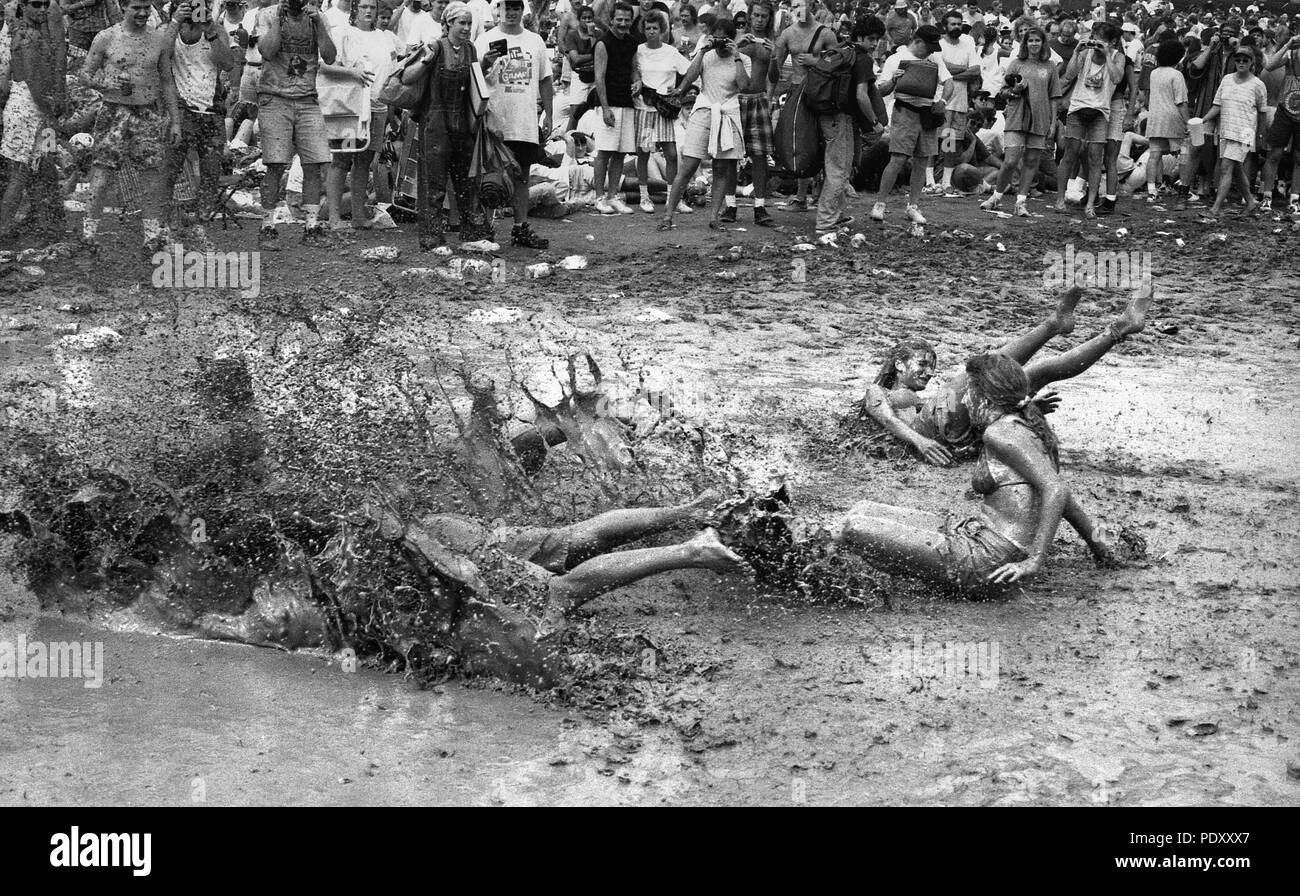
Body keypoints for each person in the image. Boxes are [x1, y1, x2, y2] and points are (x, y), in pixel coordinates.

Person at [836, 351, 1117, 599]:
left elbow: (1055, 490)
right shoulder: (1015, 425)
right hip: (976, 535)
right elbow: (1061, 496)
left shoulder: (1002, 433)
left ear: (984, 397)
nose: (965, 399)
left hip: (986, 563)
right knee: (862, 510)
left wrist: (1034, 561)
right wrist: (1098, 544)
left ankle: (807, 571)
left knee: (853, 526)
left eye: (969, 391)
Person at [854, 282, 1154, 465]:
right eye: (922, 364)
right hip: (935, 438)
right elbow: (888, 419)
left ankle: (1118, 329)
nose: (929, 372)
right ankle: (1055, 323)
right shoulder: (878, 393)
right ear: (899, 365)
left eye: (932, 365)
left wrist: (1024, 409)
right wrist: (920, 443)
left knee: (1040, 372)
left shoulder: (924, 401)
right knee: (983, 369)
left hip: (960, 438)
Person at [80, 0, 182, 256]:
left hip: (147, 112)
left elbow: (168, 82)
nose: (143, 13)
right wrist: (107, 83)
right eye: (136, 7)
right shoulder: (106, 37)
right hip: (113, 112)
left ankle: (151, 238)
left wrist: (175, 121)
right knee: (102, 177)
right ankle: (88, 235)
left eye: (146, 7)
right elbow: (84, 74)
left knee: (151, 177)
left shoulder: (158, 39)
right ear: (124, 8)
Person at [401, 1, 490, 247]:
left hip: (463, 122)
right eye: (462, 23)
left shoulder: (471, 49)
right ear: (449, 23)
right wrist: (425, 61)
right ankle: (432, 238)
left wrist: (486, 65)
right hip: (436, 122)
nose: (467, 27)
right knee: (434, 183)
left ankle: (472, 234)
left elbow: (474, 83)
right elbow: (406, 77)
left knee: (467, 180)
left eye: (470, 23)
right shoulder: (435, 46)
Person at [253, 0, 339, 250]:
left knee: (314, 163)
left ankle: (311, 226)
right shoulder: (267, 14)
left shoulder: (317, 17)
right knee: (276, 164)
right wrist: (281, 20)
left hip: (306, 98)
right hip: (274, 95)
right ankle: (267, 227)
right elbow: (267, 52)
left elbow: (331, 57)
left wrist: (319, 24)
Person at [658, 15, 750, 230]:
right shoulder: (707, 56)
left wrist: (736, 55)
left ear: (731, 39)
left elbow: (744, 85)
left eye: (723, 39)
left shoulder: (743, 59)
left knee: (721, 168)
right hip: (704, 109)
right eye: (715, 38)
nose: (719, 44)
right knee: (689, 164)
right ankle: (668, 215)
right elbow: (689, 77)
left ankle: (713, 217)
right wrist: (702, 50)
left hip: (727, 113)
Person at [476, 0, 553, 248]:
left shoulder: (535, 41)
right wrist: (485, 63)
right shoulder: (485, 39)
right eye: (506, 8)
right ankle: (486, 229)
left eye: (516, 8)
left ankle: (520, 228)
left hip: (525, 119)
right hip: (495, 119)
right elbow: (473, 77)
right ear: (498, 10)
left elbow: (545, 79)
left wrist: (549, 115)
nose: (511, 13)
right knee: (492, 176)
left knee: (522, 176)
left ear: (522, 11)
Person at [161, 0, 235, 250]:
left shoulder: (215, 28)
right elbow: (161, 56)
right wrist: (175, 22)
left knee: (211, 171)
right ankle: (163, 227)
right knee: (169, 169)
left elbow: (228, 64)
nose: (195, 10)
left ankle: (201, 224)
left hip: (211, 109)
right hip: (180, 108)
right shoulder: (169, 28)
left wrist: (211, 29)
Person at [322, 0, 400, 229]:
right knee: (342, 158)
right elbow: (323, 65)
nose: (368, 11)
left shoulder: (384, 37)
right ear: (355, 9)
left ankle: (358, 216)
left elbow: (391, 72)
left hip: (378, 106)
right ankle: (334, 217)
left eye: (372, 7)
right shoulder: (343, 33)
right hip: (351, 107)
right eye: (363, 6)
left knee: (365, 160)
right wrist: (352, 72)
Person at [0, 0, 68, 243]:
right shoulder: (26, 36)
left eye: (44, 5)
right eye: (36, 5)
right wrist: (49, 109)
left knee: (38, 168)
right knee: (21, 173)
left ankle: (43, 224)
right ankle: (4, 228)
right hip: (28, 107)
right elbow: (32, 80)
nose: (42, 10)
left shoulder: (33, 32)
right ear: (24, 7)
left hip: (30, 106)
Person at [871, 23, 950, 225]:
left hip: (928, 113)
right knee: (897, 158)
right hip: (904, 111)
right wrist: (894, 81)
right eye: (929, 46)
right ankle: (880, 203)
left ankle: (913, 206)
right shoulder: (895, 59)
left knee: (922, 160)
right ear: (918, 41)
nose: (931, 51)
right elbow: (881, 91)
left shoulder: (934, 58)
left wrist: (943, 102)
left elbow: (948, 82)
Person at [979, 25, 1060, 216]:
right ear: (1025, 43)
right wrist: (1015, 90)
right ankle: (996, 197)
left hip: (1040, 119)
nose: (1034, 44)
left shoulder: (1050, 66)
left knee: (1032, 161)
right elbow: (1003, 92)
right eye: (1030, 40)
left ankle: (1021, 202)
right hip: (1017, 117)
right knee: (1011, 161)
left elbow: (1054, 97)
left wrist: (1053, 121)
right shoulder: (1016, 63)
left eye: (1037, 40)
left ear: (1043, 43)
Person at [770, 0, 837, 210]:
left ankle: (825, 195)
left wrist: (815, 62)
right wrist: (770, 97)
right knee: (801, 142)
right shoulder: (787, 34)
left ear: (811, 5)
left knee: (825, 142)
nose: (799, 10)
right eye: (795, 6)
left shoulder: (825, 33)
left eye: (802, 4)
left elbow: (839, 64)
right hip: (797, 91)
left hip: (821, 93)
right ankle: (801, 197)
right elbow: (775, 71)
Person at [1052, 22, 1123, 218]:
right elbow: (1069, 74)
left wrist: (1107, 54)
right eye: (1094, 37)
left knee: (1095, 159)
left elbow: (1117, 78)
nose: (1096, 43)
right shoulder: (1085, 53)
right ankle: (1060, 199)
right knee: (1070, 154)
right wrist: (1076, 52)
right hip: (1077, 108)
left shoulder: (1118, 57)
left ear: (1112, 42)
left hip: (1100, 112)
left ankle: (1090, 203)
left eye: (1101, 40)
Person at [630, 11, 689, 213]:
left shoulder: (671, 52)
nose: (652, 32)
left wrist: (679, 91)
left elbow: (689, 71)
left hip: (664, 110)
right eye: (648, 28)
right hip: (644, 108)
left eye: (655, 28)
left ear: (662, 30)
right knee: (644, 152)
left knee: (671, 154)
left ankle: (673, 199)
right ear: (643, 30)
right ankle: (644, 197)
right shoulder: (637, 50)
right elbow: (633, 72)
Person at [1199, 45, 1267, 219]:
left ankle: (1215, 208)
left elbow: (1262, 113)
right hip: (1226, 129)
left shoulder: (1258, 85)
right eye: (1238, 59)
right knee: (1236, 169)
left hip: (1244, 132)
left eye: (1245, 59)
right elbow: (1217, 105)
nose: (1241, 62)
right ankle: (1251, 203)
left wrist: (1260, 135)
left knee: (1226, 167)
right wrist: (1203, 120)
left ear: (1252, 62)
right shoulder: (1227, 79)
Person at [591, 2, 638, 214]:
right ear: (611, 20)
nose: (623, 23)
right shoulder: (603, 43)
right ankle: (599, 197)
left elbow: (634, 70)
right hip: (608, 104)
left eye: (627, 20)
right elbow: (598, 79)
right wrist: (605, 108)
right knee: (604, 152)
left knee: (620, 153)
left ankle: (613, 195)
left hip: (627, 102)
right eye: (619, 19)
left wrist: (638, 81)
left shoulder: (632, 42)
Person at [733, 0, 777, 226]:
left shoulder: (771, 42)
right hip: (737, 98)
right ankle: (730, 205)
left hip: (759, 99)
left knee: (760, 156)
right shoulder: (739, 37)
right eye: (756, 15)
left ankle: (759, 206)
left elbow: (774, 77)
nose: (760, 20)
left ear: (769, 18)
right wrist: (737, 46)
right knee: (731, 155)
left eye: (764, 16)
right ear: (750, 16)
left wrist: (774, 56)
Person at [930, 7, 980, 196]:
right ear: (945, 26)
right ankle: (929, 180)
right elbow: (938, 68)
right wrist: (961, 70)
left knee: (950, 144)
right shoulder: (939, 45)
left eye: (959, 24)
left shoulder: (967, 44)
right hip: (941, 101)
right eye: (953, 24)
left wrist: (950, 72)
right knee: (934, 142)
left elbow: (975, 71)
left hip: (960, 102)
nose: (957, 27)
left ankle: (945, 182)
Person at [1258, 32, 1300, 215]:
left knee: (1299, 158)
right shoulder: (1293, 53)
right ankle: (1267, 196)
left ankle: (1295, 199)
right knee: (1274, 154)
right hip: (1284, 109)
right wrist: (1288, 44)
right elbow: (1269, 65)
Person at [1142, 37, 1187, 202]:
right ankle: (1184, 188)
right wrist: (1187, 121)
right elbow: (1181, 102)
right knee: (1182, 154)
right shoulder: (1177, 75)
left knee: (1154, 155)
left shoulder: (1154, 73)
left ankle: (1152, 190)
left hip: (1155, 117)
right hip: (1172, 117)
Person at [562, 3, 597, 132]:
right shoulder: (572, 35)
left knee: (594, 111)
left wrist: (592, 35)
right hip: (579, 75)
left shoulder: (597, 34)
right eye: (584, 18)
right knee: (575, 114)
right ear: (579, 19)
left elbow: (599, 54)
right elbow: (575, 59)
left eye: (590, 18)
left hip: (595, 76)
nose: (587, 21)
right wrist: (593, 56)